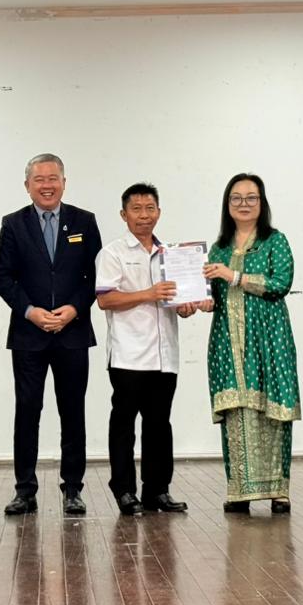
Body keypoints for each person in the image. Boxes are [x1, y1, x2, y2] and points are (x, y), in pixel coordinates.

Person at [0, 153, 102, 516]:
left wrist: (73, 309)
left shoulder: (84, 221)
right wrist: (30, 311)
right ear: (27, 186)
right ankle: (25, 490)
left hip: (73, 333)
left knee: (73, 412)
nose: (47, 185)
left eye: (53, 178)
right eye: (39, 179)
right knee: (27, 412)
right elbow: (2, 276)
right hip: (29, 335)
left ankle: (73, 488)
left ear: (64, 183)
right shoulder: (13, 224)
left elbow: (96, 276)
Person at [95, 183, 211, 515]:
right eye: (136, 209)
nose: (144, 215)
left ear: (159, 212)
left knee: (159, 424)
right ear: (124, 214)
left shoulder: (173, 255)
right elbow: (105, 299)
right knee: (124, 424)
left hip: (165, 354)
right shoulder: (113, 253)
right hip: (128, 354)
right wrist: (149, 293)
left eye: (150, 208)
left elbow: (178, 302)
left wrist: (186, 306)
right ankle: (124, 491)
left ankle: (157, 490)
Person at [202, 173, 300, 514]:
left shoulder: (275, 241)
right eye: (236, 198)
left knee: (272, 412)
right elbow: (214, 296)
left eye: (251, 197)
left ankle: (279, 492)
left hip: (269, 338)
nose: (243, 204)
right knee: (237, 411)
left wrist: (234, 276)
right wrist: (199, 301)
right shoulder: (219, 248)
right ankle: (239, 491)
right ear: (227, 204)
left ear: (262, 203)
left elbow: (280, 283)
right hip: (228, 342)